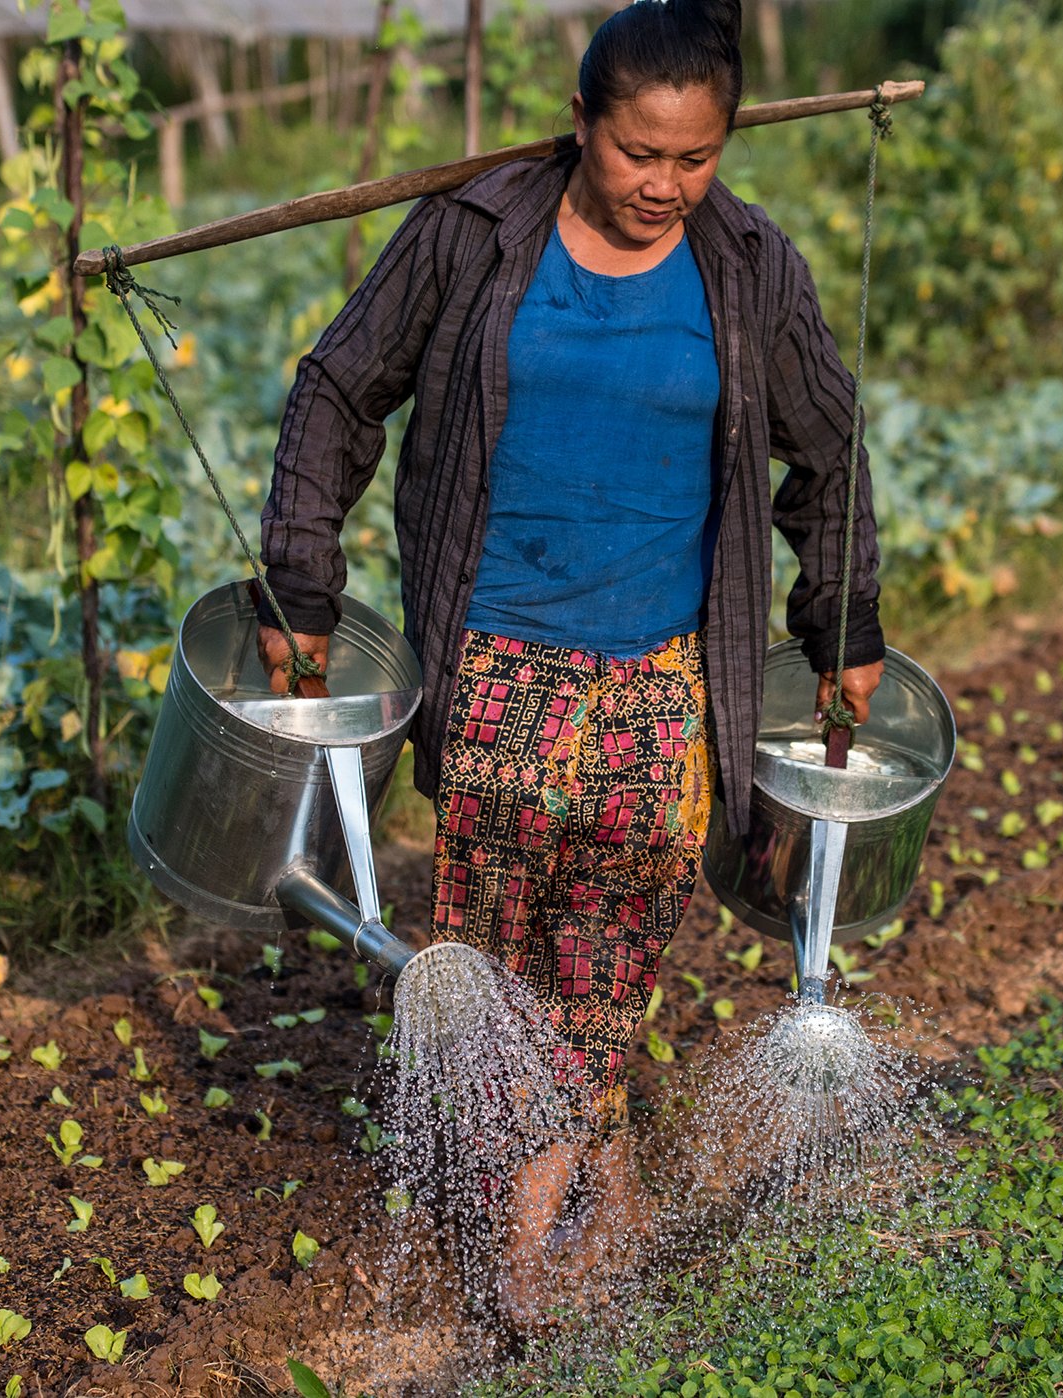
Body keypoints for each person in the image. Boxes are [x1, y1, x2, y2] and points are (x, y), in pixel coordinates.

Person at [253, 0, 884, 1328]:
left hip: (666, 674)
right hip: (497, 661)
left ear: (725, 143)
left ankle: (535, 1195)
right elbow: (334, 387)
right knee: (494, 942)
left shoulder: (752, 267)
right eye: (636, 152)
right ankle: (552, 1171)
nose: (661, 186)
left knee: (613, 947)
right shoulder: (476, 235)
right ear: (584, 122)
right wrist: (301, 581)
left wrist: (843, 631)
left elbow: (826, 454)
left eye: (694, 158)